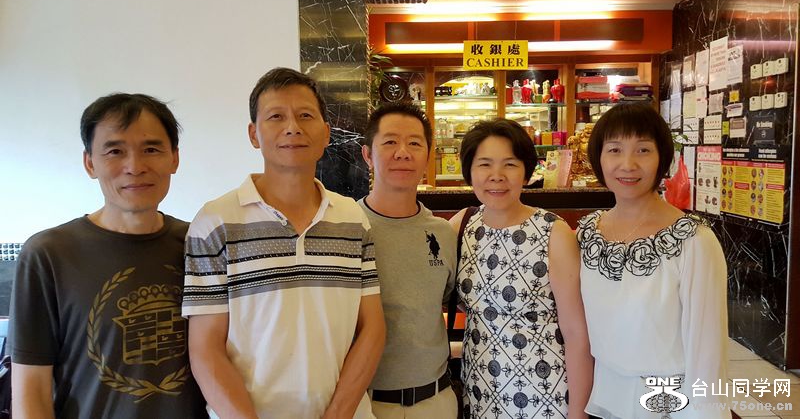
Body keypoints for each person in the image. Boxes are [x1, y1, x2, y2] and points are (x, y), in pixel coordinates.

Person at [182, 67, 385, 419]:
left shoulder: (352, 219)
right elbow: (205, 349)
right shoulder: (215, 223)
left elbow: (372, 329)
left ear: (326, 133)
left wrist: (337, 414)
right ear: (254, 134)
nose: (292, 127)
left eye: (305, 115)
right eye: (276, 116)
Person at [10, 93, 207, 418]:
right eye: (115, 151)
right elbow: (32, 388)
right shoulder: (49, 254)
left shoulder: (202, 244)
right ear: (90, 162)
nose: (135, 167)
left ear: (174, 158)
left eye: (151, 149)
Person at [577, 102, 729, 418]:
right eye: (615, 150)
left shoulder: (693, 241)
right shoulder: (588, 233)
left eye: (643, 150)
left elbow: (708, 349)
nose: (628, 164)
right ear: (599, 158)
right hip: (604, 395)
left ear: (662, 158)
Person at [449, 119, 593, 419]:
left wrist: (579, 414)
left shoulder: (552, 232)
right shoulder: (462, 225)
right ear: (469, 171)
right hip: (481, 392)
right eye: (484, 164)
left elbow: (576, 333)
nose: (497, 176)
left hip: (544, 395)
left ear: (527, 172)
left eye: (510, 165)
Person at [359, 103, 458, 418]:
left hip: (437, 400)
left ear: (427, 156)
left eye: (414, 143)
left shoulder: (442, 233)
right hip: (367, 403)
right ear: (367, 155)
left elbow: (445, 301)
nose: (402, 153)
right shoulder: (347, 227)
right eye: (390, 142)